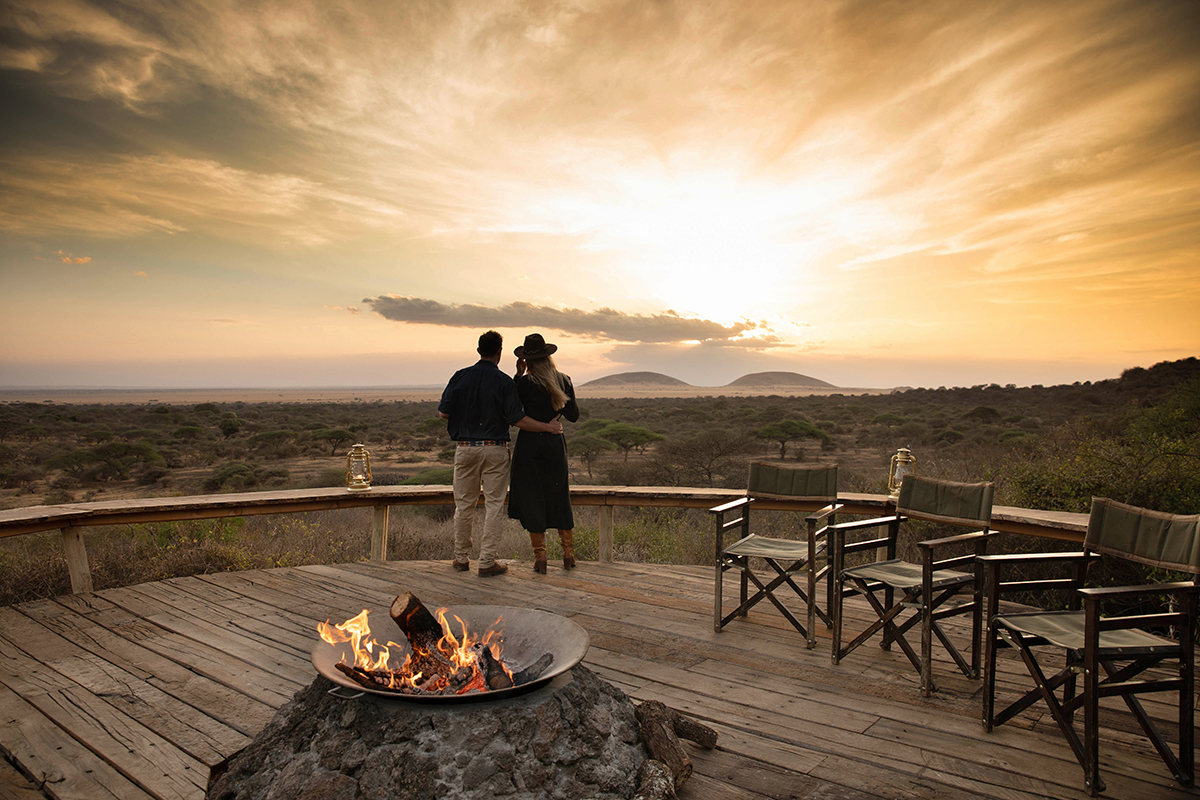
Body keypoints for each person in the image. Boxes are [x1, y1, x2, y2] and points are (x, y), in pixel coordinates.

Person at [439, 331, 562, 577]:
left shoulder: (460, 376)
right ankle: (486, 561)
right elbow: (517, 419)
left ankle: (461, 558)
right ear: (500, 352)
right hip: (495, 448)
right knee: (494, 505)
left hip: (465, 448)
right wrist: (548, 427)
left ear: (478, 350)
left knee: (464, 505)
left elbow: (444, 412)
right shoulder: (504, 382)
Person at [507, 333, 580, 573]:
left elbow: (512, 413)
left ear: (526, 360)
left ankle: (540, 556)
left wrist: (518, 375)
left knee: (532, 496)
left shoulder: (524, 384)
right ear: (548, 356)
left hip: (529, 444)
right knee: (559, 494)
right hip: (554, 444)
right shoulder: (564, 380)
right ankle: (568, 553)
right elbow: (574, 416)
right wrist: (555, 417)